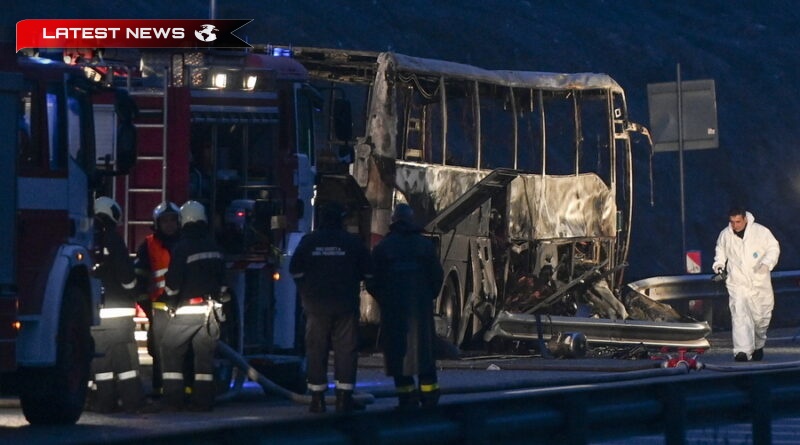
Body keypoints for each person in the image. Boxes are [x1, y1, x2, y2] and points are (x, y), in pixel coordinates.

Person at [289, 201, 372, 413]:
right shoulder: (352, 243)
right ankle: (344, 398)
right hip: (345, 304)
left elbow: (295, 269)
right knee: (346, 350)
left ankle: (317, 399)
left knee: (316, 350)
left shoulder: (309, 241)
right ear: (341, 220)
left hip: (316, 305)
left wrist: (306, 290)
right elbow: (369, 272)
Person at [367, 204, 444, 409]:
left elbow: (372, 281)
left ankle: (406, 398)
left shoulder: (383, 247)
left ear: (393, 221)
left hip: (394, 311)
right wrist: (427, 297)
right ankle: (429, 397)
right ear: (411, 220)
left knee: (398, 356)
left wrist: (385, 299)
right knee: (424, 355)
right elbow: (437, 276)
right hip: (420, 310)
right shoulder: (424, 245)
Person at [162, 200, 227, 411]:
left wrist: (170, 303)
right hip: (212, 313)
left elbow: (173, 283)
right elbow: (223, 283)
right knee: (204, 360)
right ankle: (204, 400)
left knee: (170, 349)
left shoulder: (183, 247)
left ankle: (173, 400)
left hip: (187, 310)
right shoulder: (214, 246)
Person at [88, 196, 146, 413]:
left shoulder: (88, 238)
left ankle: (104, 402)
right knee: (126, 360)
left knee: (101, 361)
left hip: (95, 313)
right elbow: (126, 275)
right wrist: (136, 291)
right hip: (119, 311)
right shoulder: (113, 239)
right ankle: (133, 402)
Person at [712, 206, 780, 362]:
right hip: (738, 282)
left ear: (745, 219)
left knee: (761, 319)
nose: (735, 225)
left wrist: (766, 263)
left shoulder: (761, 232)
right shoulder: (725, 235)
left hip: (759, 282)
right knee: (740, 315)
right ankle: (742, 351)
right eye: (732, 222)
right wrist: (719, 266)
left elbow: (773, 248)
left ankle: (758, 344)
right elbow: (720, 252)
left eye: (738, 222)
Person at [134, 201, 181, 398]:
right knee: (157, 348)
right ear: (157, 223)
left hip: (182, 305)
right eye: (165, 221)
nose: (169, 225)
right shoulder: (149, 244)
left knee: (181, 350)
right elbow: (140, 275)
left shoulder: (184, 243)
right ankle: (159, 389)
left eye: (172, 220)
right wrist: (146, 305)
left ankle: (182, 390)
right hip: (158, 307)